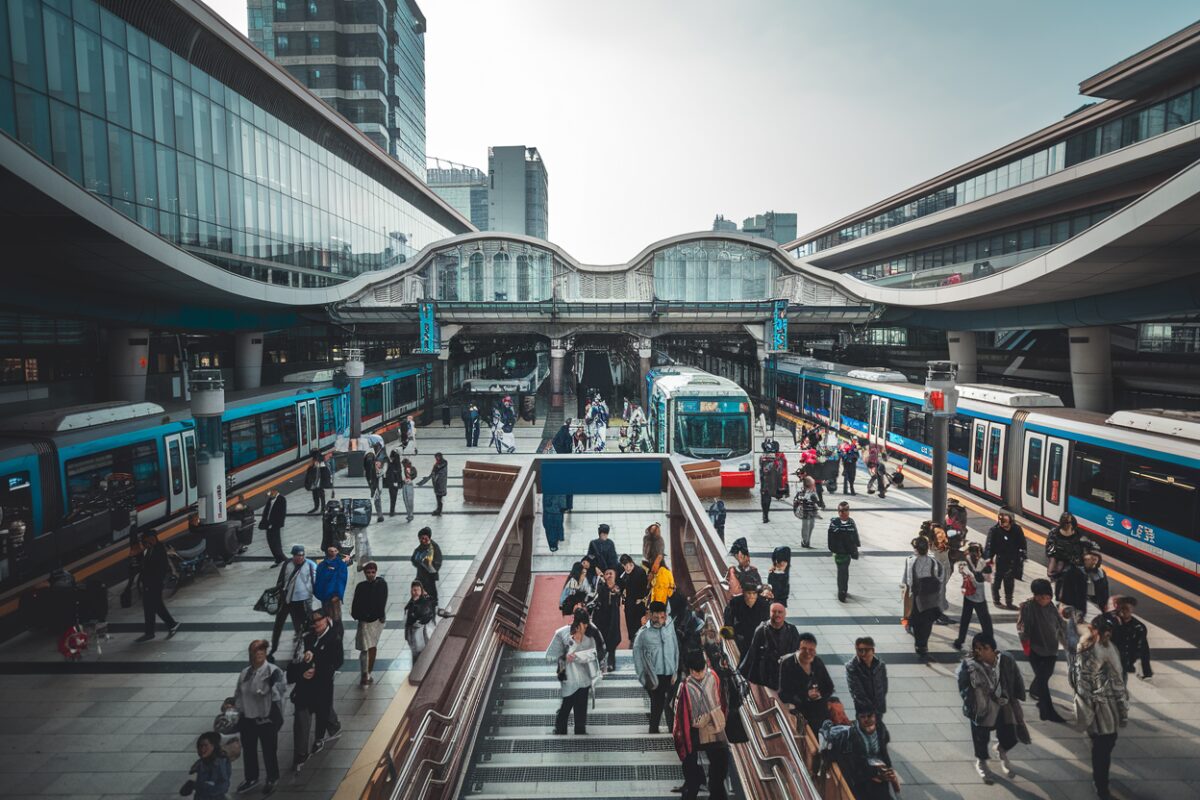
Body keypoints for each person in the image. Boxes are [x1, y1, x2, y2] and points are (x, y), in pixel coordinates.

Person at [956, 632, 1027, 784]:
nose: (980, 652)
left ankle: (1001, 750)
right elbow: (964, 687)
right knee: (981, 737)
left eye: (984, 648)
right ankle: (981, 762)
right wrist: (973, 703)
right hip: (981, 707)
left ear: (993, 649)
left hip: (1004, 704)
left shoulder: (1005, 660)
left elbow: (1016, 677)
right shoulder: (970, 666)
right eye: (977, 648)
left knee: (1011, 735)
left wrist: (1018, 695)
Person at [1074, 615, 1129, 800]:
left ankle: (1100, 782)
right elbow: (1086, 683)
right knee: (1104, 747)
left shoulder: (1097, 646)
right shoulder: (1097, 650)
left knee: (1105, 743)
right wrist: (1121, 709)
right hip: (1102, 706)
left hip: (1102, 704)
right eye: (1106, 630)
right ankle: (1101, 786)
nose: (1108, 634)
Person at [673, 649, 730, 800]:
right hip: (695, 732)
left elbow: (723, 700)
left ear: (706, 665)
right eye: (695, 672)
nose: (699, 675)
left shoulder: (714, 677)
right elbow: (680, 715)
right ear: (689, 670)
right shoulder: (685, 686)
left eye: (701, 670)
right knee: (692, 773)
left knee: (719, 769)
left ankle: (713, 792)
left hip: (715, 729)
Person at [230, 640, 286, 794]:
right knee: (249, 750)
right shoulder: (245, 673)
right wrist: (236, 710)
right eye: (256, 651)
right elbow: (238, 694)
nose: (259, 653)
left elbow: (279, 694)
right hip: (247, 718)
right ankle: (251, 777)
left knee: (269, 750)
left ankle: (272, 777)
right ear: (251, 654)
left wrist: (268, 691)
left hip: (266, 719)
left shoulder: (273, 672)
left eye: (262, 650)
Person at [1017, 578, 1068, 722]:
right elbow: (1023, 629)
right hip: (1035, 650)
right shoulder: (1028, 607)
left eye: (1047, 597)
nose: (1044, 600)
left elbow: (1061, 625)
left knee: (1045, 676)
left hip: (1051, 648)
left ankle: (1035, 690)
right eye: (1041, 597)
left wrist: (1067, 642)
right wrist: (1027, 647)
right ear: (1035, 595)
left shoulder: (1052, 607)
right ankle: (1048, 712)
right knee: (1043, 682)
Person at [825, 709, 898, 800]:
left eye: (870, 716)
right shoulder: (851, 738)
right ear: (858, 719)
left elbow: (884, 757)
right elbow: (853, 768)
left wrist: (887, 772)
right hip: (861, 784)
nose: (867, 719)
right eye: (863, 717)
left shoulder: (880, 733)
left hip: (876, 780)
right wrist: (875, 773)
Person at [545, 613, 599, 735]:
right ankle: (560, 730)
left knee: (581, 709)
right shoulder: (561, 634)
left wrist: (581, 657)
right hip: (568, 678)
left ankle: (580, 732)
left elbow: (595, 654)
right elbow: (550, 656)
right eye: (583, 625)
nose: (585, 627)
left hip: (584, 679)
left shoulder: (589, 637)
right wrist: (565, 657)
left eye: (587, 625)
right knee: (566, 706)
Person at [633, 600, 679, 733]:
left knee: (670, 703)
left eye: (662, 617)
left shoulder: (669, 627)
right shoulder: (643, 633)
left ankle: (671, 729)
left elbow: (675, 647)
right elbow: (637, 657)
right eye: (656, 617)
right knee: (658, 702)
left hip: (670, 673)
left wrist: (675, 670)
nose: (659, 620)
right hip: (654, 675)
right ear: (650, 615)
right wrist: (643, 679)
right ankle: (654, 729)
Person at [304, 609, 344, 755]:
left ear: (326, 619)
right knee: (319, 705)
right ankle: (333, 725)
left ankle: (319, 738)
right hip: (309, 679)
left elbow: (338, 661)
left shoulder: (333, 638)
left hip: (324, 679)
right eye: (314, 621)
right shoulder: (309, 637)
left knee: (322, 707)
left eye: (319, 620)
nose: (316, 624)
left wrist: (319, 668)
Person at [778, 632, 835, 732]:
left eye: (811, 650)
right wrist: (806, 695)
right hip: (799, 710)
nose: (808, 653)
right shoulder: (788, 664)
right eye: (804, 649)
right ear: (798, 649)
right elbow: (784, 694)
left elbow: (829, 687)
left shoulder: (817, 662)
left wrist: (819, 694)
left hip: (818, 710)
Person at [269, 544, 317, 659]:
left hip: (301, 600)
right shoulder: (287, 564)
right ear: (293, 555)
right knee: (278, 624)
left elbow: (315, 581)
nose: (300, 558)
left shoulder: (310, 565)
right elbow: (281, 580)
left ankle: (303, 648)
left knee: (302, 624)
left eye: (302, 555)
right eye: (297, 555)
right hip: (286, 599)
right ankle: (273, 648)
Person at [739, 602, 800, 690]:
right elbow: (753, 653)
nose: (777, 614)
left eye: (780, 612)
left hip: (784, 672)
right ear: (769, 613)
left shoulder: (792, 630)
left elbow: (798, 650)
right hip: (766, 673)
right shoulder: (761, 630)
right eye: (774, 612)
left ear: (785, 614)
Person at [135, 530, 180, 643]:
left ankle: (169, 625)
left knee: (155, 605)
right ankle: (151, 632)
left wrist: (155, 580)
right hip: (148, 583)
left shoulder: (159, 549)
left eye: (147, 539)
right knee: (150, 606)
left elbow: (162, 567)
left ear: (153, 538)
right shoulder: (150, 548)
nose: (145, 542)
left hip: (155, 583)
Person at [901, 537, 943, 657]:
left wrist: (904, 590)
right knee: (926, 622)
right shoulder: (934, 562)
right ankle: (922, 644)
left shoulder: (910, 561)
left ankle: (920, 644)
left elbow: (906, 581)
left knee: (918, 621)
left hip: (916, 596)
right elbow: (940, 578)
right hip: (928, 597)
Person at [350, 561, 387, 686]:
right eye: (368, 572)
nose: (370, 575)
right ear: (365, 573)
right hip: (365, 621)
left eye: (372, 572)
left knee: (371, 647)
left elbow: (382, 601)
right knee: (365, 648)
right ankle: (365, 673)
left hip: (375, 621)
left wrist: (380, 615)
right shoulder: (361, 586)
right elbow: (355, 604)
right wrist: (359, 615)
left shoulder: (381, 584)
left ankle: (367, 673)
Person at [953, 541, 994, 651]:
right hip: (976, 596)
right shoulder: (977, 562)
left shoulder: (973, 561)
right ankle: (990, 641)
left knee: (967, 619)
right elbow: (987, 579)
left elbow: (986, 578)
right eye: (975, 552)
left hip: (971, 595)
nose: (976, 554)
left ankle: (960, 640)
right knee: (984, 620)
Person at [984, 510, 1026, 609]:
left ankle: (1009, 602)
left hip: (1013, 559)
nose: (1002, 522)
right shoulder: (994, 530)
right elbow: (989, 546)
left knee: (1009, 581)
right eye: (1000, 519)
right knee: (997, 580)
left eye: (1004, 520)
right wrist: (989, 558)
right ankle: (996, 600)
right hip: (1000, 558)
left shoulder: (1017, 529)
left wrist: (1022, 555)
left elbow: (1022, 543)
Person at [1106, 596, 1152, 683]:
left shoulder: (1138, 627)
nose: (1123, 611)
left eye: (1126, 609)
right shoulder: (1108, 621)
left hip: (1124, 663)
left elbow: (1143, 649)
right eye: (1121, 608)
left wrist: (1146, 671)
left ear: (1131, 610)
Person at [845, 637, 888, 720]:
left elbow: (884, 686)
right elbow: (857, 692)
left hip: (878, 709)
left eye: (866, 650)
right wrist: (870, 710)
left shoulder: (880, 665)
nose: (863, 653)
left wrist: (879, 703)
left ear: (873, 651)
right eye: (860, 650)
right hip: (864, 711)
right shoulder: (852, 667)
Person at [722, 580, 769, 655]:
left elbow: (767, 621)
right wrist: (730, 634)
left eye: (754, 593)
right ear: (744, 593)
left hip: (758, 633)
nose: (751, 596)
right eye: (749, 593)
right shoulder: (735, 602)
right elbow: (728, 619)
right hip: (741, 633)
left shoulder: (764, 604)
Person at [827, 501, 861, 603]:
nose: (843, 513)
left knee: (844, 571)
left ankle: (843, 589)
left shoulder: (851, 522)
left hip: (848, 552)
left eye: (845, 510)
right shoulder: (835, 523)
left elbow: (855, 534)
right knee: (842, 571)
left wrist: (856, 547)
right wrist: (832, 549)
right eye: (841, 511)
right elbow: (830, 537)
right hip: (839, 552)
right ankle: (842, 591)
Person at [186, 731, 231, 800]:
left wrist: (197, 786)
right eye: (200, 746)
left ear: (213, 746)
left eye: (205, 745)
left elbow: (223, 786)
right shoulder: (201, 762)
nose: (202, 749)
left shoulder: (220, 762)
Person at [593, 568, 623, 672]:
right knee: (601, 641)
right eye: (607, 574)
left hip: (613, 619)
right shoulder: (601, 588)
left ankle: (611, 663)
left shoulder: (618, 588)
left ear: (615, 576)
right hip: (601, 618)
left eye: (611, 573)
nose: (609, 575)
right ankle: (600, 663)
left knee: (612, 641)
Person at [619, 553, 649, 646]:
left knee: (639, 623)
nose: (627, 568)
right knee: (630, 622)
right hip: (629, 602)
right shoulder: (624, 574)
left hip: (639, 602)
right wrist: (623, 602)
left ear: (631, 562)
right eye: (624, 566)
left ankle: (640, 641)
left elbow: (646, 588)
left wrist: (642, 598)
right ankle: (632, 641)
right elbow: (622, 589)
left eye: (628, 565)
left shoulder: (641, 571)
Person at [313, 545, 348, 625]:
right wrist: (319, 594)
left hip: (334, 597)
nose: (333, 553)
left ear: (337, 551)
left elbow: (342, 581)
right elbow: (318, 580)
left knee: (336, 619)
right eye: (331, 551)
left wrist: (338, 595)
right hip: (324, 596)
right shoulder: (322, 565)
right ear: (327, 552)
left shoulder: (341, 565)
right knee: (325, 618)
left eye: (335, 551)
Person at [404, 580, 437, 658]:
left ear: (421, 590)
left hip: (420, 633)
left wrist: (419, 622)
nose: (415, 592)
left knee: (422, 654)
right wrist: (407, 635)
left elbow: (428, 615)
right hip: (412, 634)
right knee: (416, 654)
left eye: (418, 590)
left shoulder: (424, 602)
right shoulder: (411, 603)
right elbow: (407, 620)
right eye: (414, 590)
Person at [411, 527, 442, 604]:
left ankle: (433, 603)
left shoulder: (434, 547)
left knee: (431, 591)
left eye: (425, 538)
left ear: (429, 537)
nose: (423, 540)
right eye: (421, 538)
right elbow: (414, 559)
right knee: (420, 591)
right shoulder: (420, 547)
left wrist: (429, 564)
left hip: (430, 576)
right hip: (421, 575)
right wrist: (417, 560)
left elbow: (438, 560)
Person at [258, 489, 288, 566]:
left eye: (271, 492)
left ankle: (282, 558)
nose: (270, 493)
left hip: (275, 525)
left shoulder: (281, 499)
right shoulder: (271, 499)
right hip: (268, 524)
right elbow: (266, 511)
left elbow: (282, 513)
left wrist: (275, 524)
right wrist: (264, 521)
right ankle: (278, 558)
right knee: (271, 542)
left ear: (275, 491)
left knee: (275, 542)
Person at [1083, 550, 1111, 618]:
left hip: (1095, 601)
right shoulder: (1079, 570)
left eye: (1095, 560)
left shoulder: (1100, 573)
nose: (1094, 562)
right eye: (1092, 559)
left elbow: (1104, 592)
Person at [793, 483, 820, 549]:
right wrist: (803, 499)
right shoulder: (801, 491)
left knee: (811, 526)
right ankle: (804, 541)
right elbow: (796, 500)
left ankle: (807, 541)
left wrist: (814, 499)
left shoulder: (813, 491)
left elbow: (817, 501)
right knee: (805, 526)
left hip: (812, 512)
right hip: (805, 512)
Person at [759, 455, 781, 523]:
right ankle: (765, 516)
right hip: (768, 486)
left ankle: (765, 515)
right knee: (766, 500)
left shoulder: (763, 464)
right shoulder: (771, 465)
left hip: (765, 486)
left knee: (764, 500)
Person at [363, 448, 383, 523]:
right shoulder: (370, 456)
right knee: (376, 496)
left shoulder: (375, 454)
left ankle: (379, 515)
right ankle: (379, 515)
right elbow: (368, 468)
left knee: (377, 496)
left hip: (375, 478)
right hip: (373, 479)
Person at [399, 457, 418, 522]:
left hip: (409, 484)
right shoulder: (403, 469)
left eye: (404, 464)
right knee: (405, 500)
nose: (403, 465)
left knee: (410, 500)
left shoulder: (412, 468)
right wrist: (403, 480)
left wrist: (410, 478)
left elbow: (415, 475)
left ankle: (410, 514)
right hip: (404, 485)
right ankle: (409, 514)